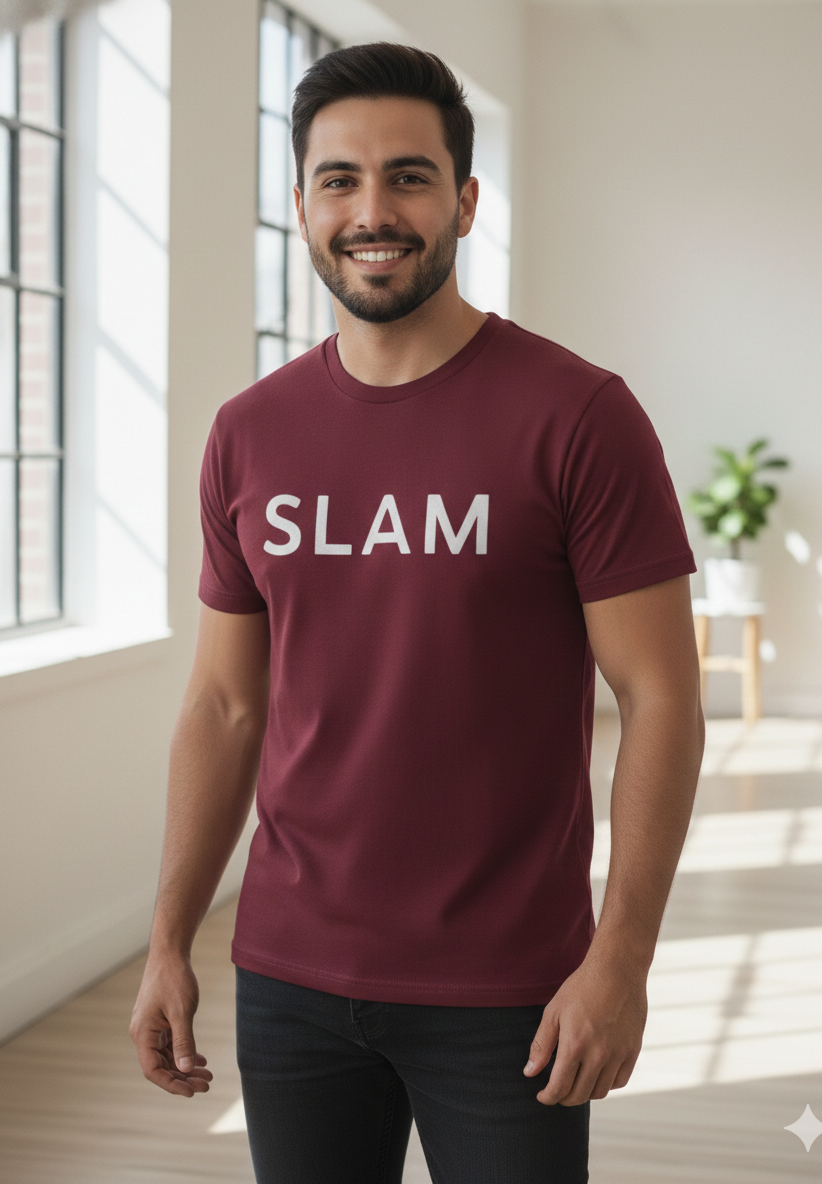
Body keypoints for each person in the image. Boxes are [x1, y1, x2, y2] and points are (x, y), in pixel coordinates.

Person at [130, 42, 704, 1184]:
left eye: (408, 175)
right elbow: (225, 703)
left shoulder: (579, 416)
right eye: (339, 180)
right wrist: (167, 938)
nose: (371, 209)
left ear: (465, 201)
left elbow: (661, 696)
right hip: (289, 979)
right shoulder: (249, 433)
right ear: (300, 206)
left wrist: (622, 957)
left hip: (509, 989)